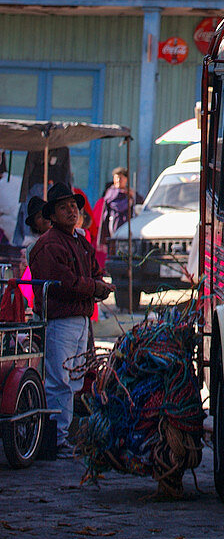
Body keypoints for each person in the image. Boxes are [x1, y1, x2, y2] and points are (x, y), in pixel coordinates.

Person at [29, 183, 111, 456]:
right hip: (60, 321)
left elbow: (94, 271)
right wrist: (96, 287)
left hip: (79, 318)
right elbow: (66, 282)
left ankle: (62, 435)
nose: (71, 211)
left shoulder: (78, 240)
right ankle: (54, 439)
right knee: (59, 381)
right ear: (51, 215)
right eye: (63, 208)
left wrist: (98, 284)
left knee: (74, 380)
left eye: (73, 206)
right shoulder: (49, 244)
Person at [96, 166, 138, 257]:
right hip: (116, 226)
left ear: (126, 179)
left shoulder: (130, 193)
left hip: (130, 228)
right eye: (116, 178)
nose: (118, 180)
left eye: (121, 178)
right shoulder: (111, 193)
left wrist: (132, 196)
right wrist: (129, 201)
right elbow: (118, 206)